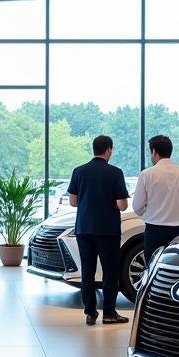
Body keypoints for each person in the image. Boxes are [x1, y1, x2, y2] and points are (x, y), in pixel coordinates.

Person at [67, 134, 129, 326]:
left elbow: (73, 202)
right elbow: (122, 205)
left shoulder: (79, 171)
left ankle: (90, 312)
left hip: (84, 228)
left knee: (88, 270)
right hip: (108, 230)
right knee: (110, 271)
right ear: (109, 149)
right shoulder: (115, 173)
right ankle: (109, 313)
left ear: (93, 149)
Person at [131, 134, 179, 263]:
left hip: (154, 231)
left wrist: (147, 213)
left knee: (154, 271)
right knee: (177, 269)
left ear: (154, 152)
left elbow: (137, 207)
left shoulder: (147, 174)